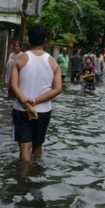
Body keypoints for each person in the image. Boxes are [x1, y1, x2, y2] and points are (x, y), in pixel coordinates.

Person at [9, 24, 62, 162]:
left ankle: (23, 177)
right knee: (38, 145)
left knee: (24, 147)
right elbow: (58, 89)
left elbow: (13, 86)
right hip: (43, 111)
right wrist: (35, 101)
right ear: (45, 41)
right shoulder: (53, 62)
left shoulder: (19, 59)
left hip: (21, 109)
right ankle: (36, 176)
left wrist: (26, 104)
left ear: (29, 39)